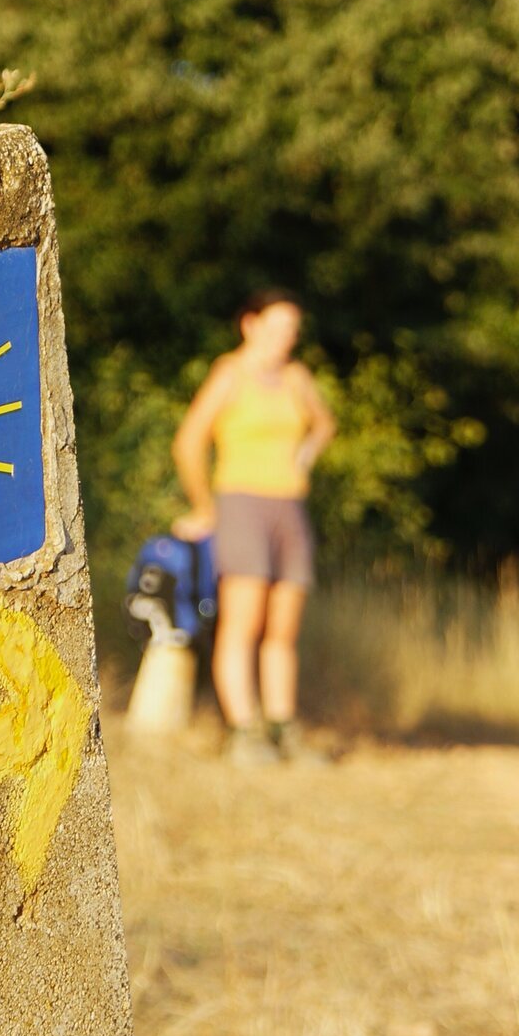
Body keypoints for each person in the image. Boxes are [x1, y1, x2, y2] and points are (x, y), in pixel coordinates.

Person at [171, 289, 336, 765]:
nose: (288, 337)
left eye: (293, 329)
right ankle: (244, 731)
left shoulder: (296, 377)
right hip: (240, 502)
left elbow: (324, 424)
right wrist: (205, 508)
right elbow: (188, 443)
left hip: (290, 508)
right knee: (244, 622)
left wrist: (303, 458)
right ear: (251, 324)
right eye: (279, 326)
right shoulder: (230, 373)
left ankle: (283, 728)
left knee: (283, 627)